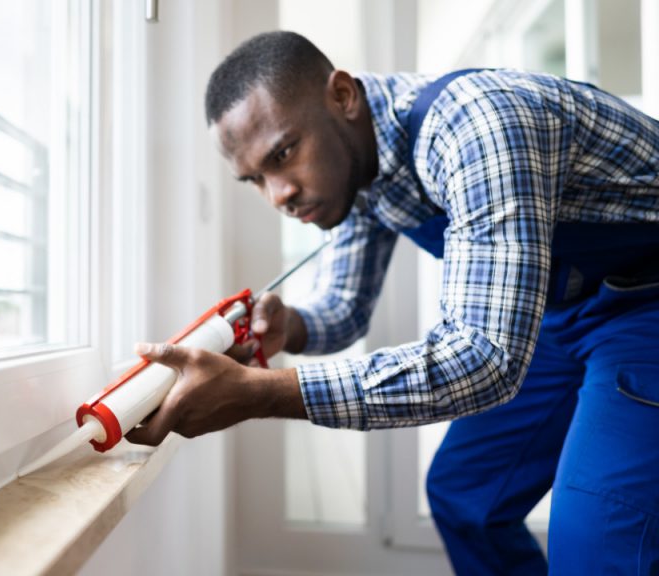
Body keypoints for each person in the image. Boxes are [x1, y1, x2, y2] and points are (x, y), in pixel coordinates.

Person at [124, 30, 659, 574]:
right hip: (562, 311)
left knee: (598, 543)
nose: (279, 194)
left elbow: (484, 360)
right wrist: (292, 328)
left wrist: (263, 395)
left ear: (342, 97)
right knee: (466, 497)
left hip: (647, 303)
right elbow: (346, 307)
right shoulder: (353, 164)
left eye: (283, 154)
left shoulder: (476, 126)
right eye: (255, 179)